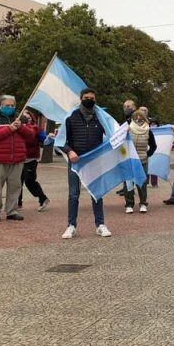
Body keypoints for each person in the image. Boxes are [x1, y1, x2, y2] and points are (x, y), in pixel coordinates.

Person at [60, 88, 111, 238]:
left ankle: (100, 224)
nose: (89, 100)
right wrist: (69, 151)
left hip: (95, 161)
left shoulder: (101, 117)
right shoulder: (71, 117)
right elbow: (61, 140)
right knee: (74, 194)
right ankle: (71, 226)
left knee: (97, 193)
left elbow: (111, 134)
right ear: (81, 99)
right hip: (76, 162)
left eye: (92, 98)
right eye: (86, 97)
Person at [0, 95, 34, 222]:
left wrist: (21, 127)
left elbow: (31, 136)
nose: (10, 108)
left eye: (12, 105)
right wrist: (10, 128)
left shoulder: (22, 119)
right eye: (7, 105)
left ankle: (11, 211)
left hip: (17, 159)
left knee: (15, 186)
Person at [124, 110, 156, 214]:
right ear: (133, 118)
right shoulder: (127, 129)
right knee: (128, 183)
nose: (139, 119)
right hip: (129, 160)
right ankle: (129, 205)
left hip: (142, 160)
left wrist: (147, 154)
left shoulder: (148, 130)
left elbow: (153, 146)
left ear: (144, 118)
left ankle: (143, 203)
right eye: (136, 117)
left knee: (141, 183)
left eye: (141, 117)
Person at [18, 110, 50, 212]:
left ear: (32, 118)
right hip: (18, 159)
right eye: (24, 118)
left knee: (29, 181)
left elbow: (43, 139)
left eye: (29, 118)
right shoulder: (16, 127)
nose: (27, 119)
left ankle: (43, 198)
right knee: (17, 182)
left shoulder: (36, 128)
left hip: (31, 159)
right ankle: (17, 204)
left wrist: (48, 138)